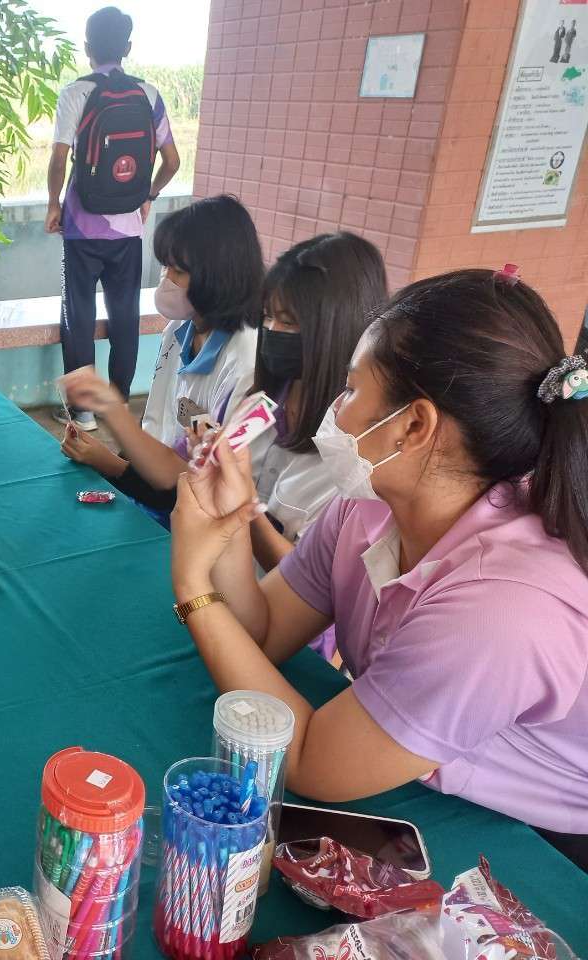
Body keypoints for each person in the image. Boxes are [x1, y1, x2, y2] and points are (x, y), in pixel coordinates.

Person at [168, 268, 588, 869]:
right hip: (413, 771)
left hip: (544, 844)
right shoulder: (369, 504)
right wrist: (231, 523)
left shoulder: (500, 610)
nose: (336, 410)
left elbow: (310, 761)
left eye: (350, 388)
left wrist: (193, 586)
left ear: (414, 425)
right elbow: (262, 633)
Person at [60, 195, 264, 518]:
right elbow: (161, 434)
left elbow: (195, 485)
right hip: (154, 498)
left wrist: (111, 414)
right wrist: (111, 457)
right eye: (165, 266)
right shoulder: (179, 331)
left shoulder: (247, 365)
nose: (166, 280)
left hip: (193, 520)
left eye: (177, 271)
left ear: (218, 277)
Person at [198, 232, 388, 571]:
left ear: (336, 329)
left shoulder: (353, 455)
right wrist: (210, 467)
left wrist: (243, 507)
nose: (271, 330)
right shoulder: (261, 401)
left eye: (287, 321)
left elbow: (309, 582)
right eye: (267, 316)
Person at [46, 6, 183, 431]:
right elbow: (172, 161)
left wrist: (53, 204)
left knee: (78, 315)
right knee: (125, 315)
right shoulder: (149, 94)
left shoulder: (76, 92)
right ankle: (118, 408)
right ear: (127, 47)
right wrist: (148, 195)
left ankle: (83, 412)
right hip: (128, 230)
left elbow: (59, 158)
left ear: (87, 47)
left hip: (81, 228)